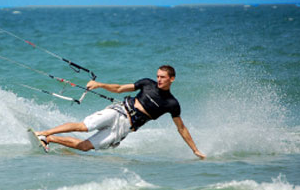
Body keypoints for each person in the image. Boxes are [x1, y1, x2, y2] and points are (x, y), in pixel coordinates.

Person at [36, 65, 206, 159]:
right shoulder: (147, 83)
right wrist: (100, 84)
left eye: (163, 77)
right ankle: (42, 133)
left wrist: (195, 150)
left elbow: (181, 128)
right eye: (158, 76)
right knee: (83, 127)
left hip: (125, 128)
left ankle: (49, 139)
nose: (159, 79)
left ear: (172, 79)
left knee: (85, 147)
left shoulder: (172, 103)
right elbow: (119, 89)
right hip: (119, 111)